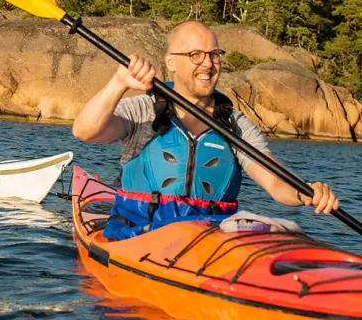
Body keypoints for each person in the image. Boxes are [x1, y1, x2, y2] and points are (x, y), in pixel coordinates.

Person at [72, 21, 340, 240]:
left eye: (214, 54)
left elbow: (273, 180)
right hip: (136, 236)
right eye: (195, 55)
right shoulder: (144, 110)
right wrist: (119, 83)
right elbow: (86, 131)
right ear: (171, 62)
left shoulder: (234, 124)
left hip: (209, 240)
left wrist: (304, 191)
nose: (208, 64)